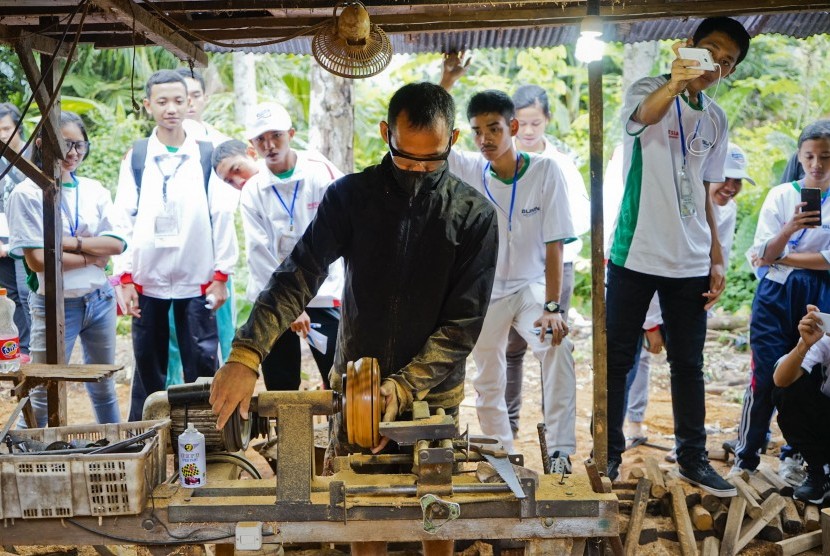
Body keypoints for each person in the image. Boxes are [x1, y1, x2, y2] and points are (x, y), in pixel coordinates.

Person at [210, 82, 498, 556]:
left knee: (434, 509)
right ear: (387, 133)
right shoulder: (351, 197)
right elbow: (297, 275)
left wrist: (404, 387)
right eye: (407, 158)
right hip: (359, 384)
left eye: (433, 160)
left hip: (432, 392)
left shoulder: (473, 216)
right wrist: (247, 352)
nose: (419, 171)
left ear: (453, 143)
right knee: (362, 506)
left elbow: (462, 325)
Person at [605, 17, 751, 496]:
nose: (716, 67)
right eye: (711, 53)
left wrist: (717, 255)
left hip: (690, 260)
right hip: (636, 251)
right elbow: (644, 116)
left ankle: (692, 458)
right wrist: (676, 80)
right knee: (619, 359)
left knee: (688, 363)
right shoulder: (651, 88)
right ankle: (607, 454)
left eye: (727, 63)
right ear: (690, 47)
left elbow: (707, 191)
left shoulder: (716, 118)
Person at [439, 66, 576, 467]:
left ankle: (560, 451)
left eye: (494, 128)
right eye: (478, 130)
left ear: (513, 126)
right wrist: (446, 84)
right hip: (485, 293)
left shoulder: (546, 171)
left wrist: (552, 308)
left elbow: (555, 244)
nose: (485, 139)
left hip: (532, 288)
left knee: (557, 345)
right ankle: (500, 454)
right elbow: (431, 136)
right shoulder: (468, 169)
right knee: (486, 377)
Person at [112, 69, 238, 421]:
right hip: (146, 280)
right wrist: (122, 280)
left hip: (197, 278)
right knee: (148, 365)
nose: (171, 109)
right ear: (147, 104)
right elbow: (122, 219)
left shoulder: (205, 155)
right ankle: (144, 440)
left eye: (179, 101)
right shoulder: (137, 157)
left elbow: (222, 214)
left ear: (189, 103)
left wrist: (221, 275)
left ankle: (207, 440)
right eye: (163, 101)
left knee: (201, 364)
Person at [624, 143, 754, 454]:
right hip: (653, 293)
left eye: (738, 182)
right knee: (635, 359)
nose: (731, 188)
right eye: (726, 178)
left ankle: (687, 447)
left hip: (692, 294)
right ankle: (630, 428)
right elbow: (657, 268)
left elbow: (720, 252)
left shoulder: (728, 210)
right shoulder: (681, 205)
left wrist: (714, 288)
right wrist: (651, 323)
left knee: (686, 366)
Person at [217, 103, 345, 391]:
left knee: (341, 379)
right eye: (261, 139)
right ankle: (289, 436)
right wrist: (288, 304)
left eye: (276, 135)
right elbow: (259, 252)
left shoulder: (320, 172)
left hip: (324, 293)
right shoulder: (252, 190)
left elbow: (342, 230)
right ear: (252, 146)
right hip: (274, 296)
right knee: (280, 382)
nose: (269, 145)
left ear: (290, 133)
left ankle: (346, 435)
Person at [7, 111, 124, 426]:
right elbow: (38, 261)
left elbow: (116, 244)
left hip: (99, 299)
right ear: (44, 144)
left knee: (104, 384)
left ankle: (113, 450)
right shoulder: (27, 193)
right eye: (66, 145)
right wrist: (91, 254)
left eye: (80, 146)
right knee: (43, 390)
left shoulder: (95, 189)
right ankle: (26, 456)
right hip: (54, 303)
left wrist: (65, 244)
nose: (73, 153)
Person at [734, 120, 830, 482]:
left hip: (819, 295)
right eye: (809, 156)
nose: (817, 164)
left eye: (825, 157)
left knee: (806, 375)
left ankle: (797, 454)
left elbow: (827, 260)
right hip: (775, 294)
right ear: (800, 156)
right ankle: (747, 455)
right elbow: (761, 254)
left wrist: (781, 256)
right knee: (764, 374)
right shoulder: (781, 196)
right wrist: (790, 229)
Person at [503, 85, 591, 443]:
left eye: (534, 123)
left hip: (557, 266)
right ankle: (506, 429)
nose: (527, 131)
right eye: (520, 123)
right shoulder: (499, 163)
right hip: (511, 272)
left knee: (551, 345)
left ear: (547, 121)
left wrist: (547, 224)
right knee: (510, 351)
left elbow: (581, 217)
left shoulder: (561, 166)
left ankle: (552, 436)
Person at [163, 68, 238, 388]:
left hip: (213, 262)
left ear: (204, 98)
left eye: (194, 96)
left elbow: (226, 209)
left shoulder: (218, 144)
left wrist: (221, 269)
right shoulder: (156, 147)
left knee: (222, 334)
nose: (188, 104)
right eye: (182, 97)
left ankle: (221, 402)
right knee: (172, 341)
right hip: (172, 263)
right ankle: (169, 405)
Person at [772, 305, 830, 504]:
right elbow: (781, 382)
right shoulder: (826, 338)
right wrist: (803, 346)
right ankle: (820, 471)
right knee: (788, 390)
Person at [0, 102, 32, 358]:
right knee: (9, 296)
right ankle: (19, 349)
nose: (1, 135)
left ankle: (33, 346)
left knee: (26, 293)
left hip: (28, 238)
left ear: (18, 128)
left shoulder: (35, 155)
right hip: (2, 238)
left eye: (6, 129)